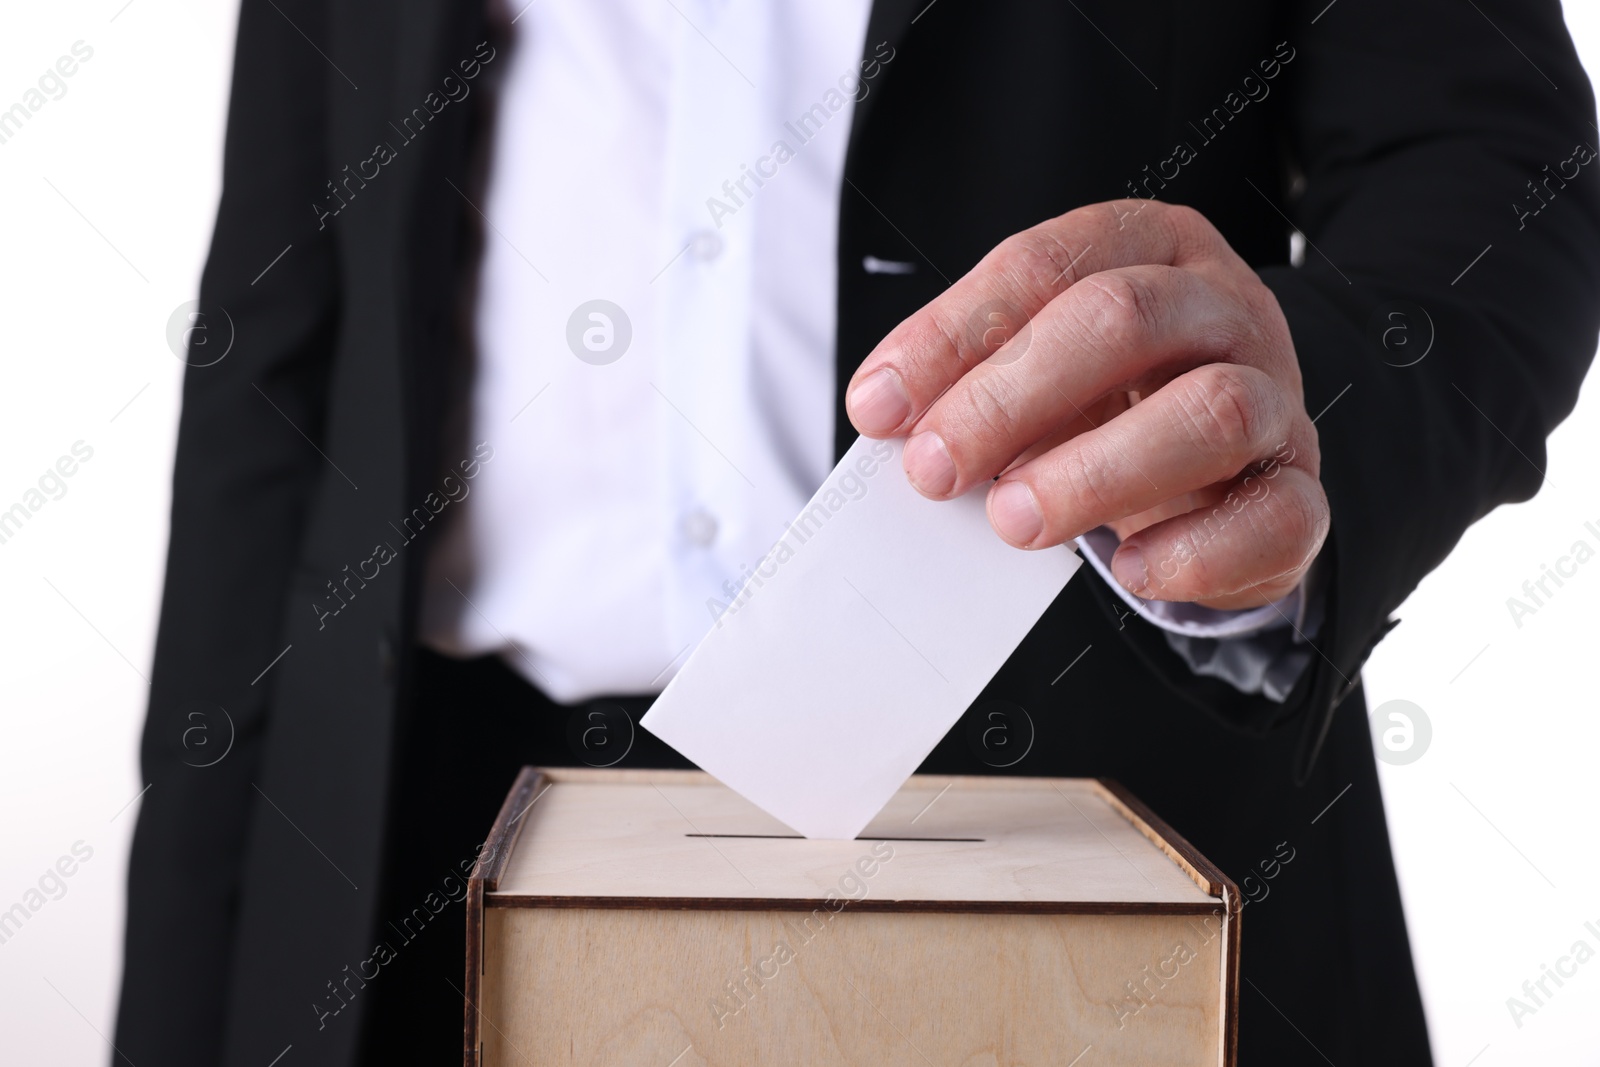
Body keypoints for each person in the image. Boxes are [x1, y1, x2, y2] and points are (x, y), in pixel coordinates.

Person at [116, 0, 1599, 1064]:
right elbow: (275, 356)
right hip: (404, 848)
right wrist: (187, 993)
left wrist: (1284, 427)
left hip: (1096, 846)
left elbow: (1495, 166)